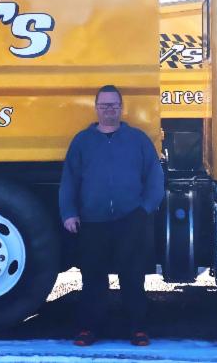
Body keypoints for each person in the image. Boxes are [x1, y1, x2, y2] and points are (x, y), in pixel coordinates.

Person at [58, 84, 165, 347]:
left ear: (121, 107)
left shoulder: (137, 140)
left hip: (130, 219)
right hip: (92, 222)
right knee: (93, 279)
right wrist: (69, 213)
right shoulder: (82, 141)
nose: (109, 109)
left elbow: (155, 176)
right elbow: (69, 180)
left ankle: (138, 329)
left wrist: (145, 209)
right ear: (96, 108)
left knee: (133, 277)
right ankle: (88, 329)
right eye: (105, 105)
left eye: (114, 105)